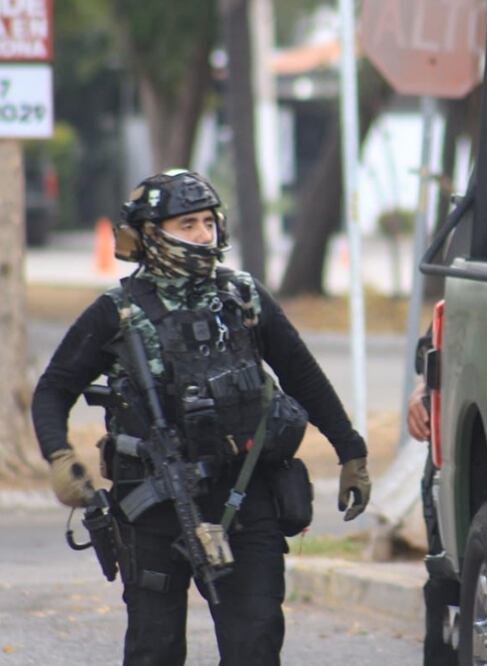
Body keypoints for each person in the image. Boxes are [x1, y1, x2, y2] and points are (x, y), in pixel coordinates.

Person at [32, 169, 372, 665]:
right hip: (153, 502)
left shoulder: (243, 297)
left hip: (244, 492)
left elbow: (303, 376)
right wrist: (59, 457)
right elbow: (53, 388)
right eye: (187, 223)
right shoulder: (119, 312)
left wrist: (351, 451)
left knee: (254, 643)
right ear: (151, 233)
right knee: (155, 647)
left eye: (208, 222)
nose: (202, 235)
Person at [408, 328, 458, 666]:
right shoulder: (484, 274)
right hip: (453, 452)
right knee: (446, 581)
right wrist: (422, 391)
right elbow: (433, 345)